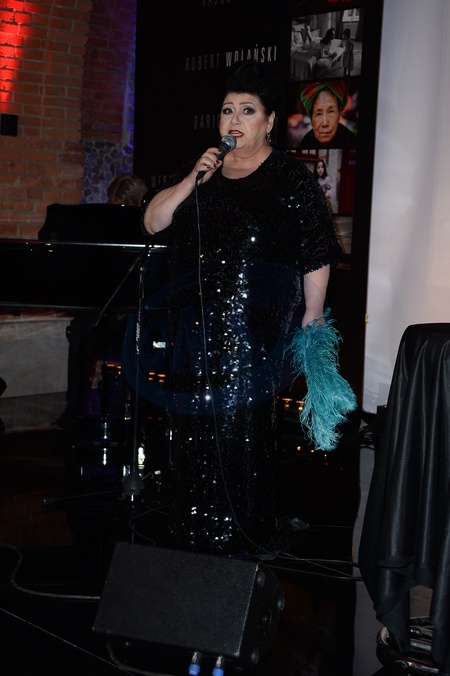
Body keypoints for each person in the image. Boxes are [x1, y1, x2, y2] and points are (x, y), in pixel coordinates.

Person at [141, 60, 346, 556]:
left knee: (240, 431)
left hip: (254, 329)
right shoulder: (202, 171)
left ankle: (243, 531)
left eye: (247, 110)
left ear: (270, 121)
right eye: (227, 109)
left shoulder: (289, 178)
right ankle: (193, 526)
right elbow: (152, 222)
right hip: (194, 326)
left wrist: (313, 313)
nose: (234, 119)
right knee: (192, 427)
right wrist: (193, 178)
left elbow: (316, 249)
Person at [299, 80, 356, 149]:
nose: (325, 123)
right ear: (311, 118)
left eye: (331, 112)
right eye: (319, 114)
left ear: (339, 114)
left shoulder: (352, 143)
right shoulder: (306, 141)